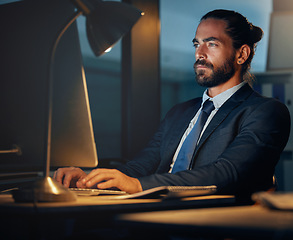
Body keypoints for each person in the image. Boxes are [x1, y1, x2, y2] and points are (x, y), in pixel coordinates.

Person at [54, 9, 291, 200]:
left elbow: (229, 173)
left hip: (212, 221)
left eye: (212, 44)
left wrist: (138, 185)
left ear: (241, 55)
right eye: (196, 44)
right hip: (155, 212)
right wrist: (88, 178)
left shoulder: (265, 111)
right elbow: (139, 168)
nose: (200, 53)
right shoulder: (181, 112)